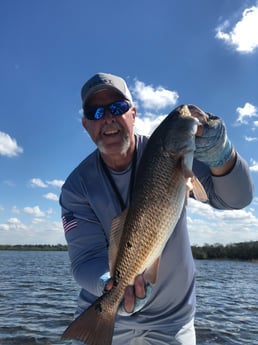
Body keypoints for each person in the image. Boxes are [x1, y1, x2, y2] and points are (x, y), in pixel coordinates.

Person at [60, 72, 253, 345]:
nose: (108, 118)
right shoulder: (76, 187)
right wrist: (110, 285)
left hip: (173, 321)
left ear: (133, 113)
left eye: (117, 107)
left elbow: (236, 198)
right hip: (106, 316)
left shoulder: (167, 152)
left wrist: (222, 154)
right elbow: (84, 259)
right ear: (85, 124)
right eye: (95, 112)